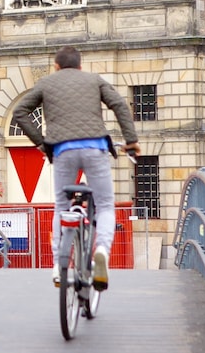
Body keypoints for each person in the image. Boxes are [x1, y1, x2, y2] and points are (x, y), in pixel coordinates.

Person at [12, 46, 139, 291]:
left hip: (62, 150)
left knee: (61, 206)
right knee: (104, 205)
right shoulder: (94, 80)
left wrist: (40, 142)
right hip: (95, 147)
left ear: (56, 66)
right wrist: (131, 140)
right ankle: (101, 251)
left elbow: (20, 112)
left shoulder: (46, 83)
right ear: (80, 66)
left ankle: (59, 265)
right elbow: (120, 106)